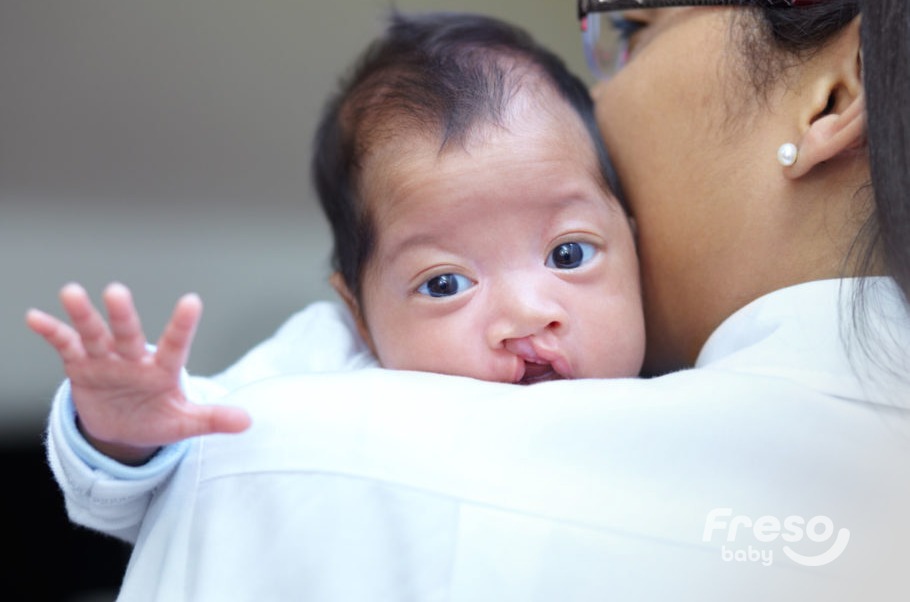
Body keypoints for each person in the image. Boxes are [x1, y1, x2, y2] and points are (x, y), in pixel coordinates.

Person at [30, 1, 910, 600]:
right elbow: (195, 440)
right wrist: (123, 430)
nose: (528, 312)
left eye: (569, 253)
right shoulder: (324, 374)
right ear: (357, 310)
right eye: (445, 283)